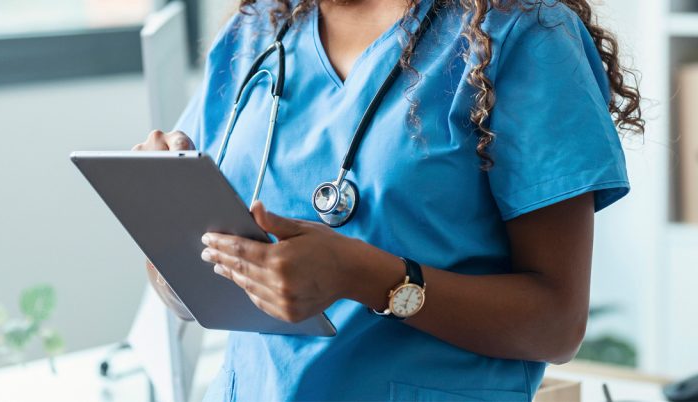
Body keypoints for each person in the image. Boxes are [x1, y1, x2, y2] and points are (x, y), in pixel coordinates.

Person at [134, 0, 644, 400]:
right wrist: (163, 217)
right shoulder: (257, 32)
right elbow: (186, 293)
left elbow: (556, 325)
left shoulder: (523, 33)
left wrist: (365, 276)